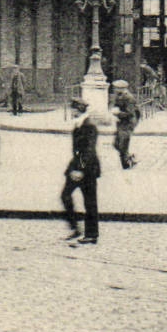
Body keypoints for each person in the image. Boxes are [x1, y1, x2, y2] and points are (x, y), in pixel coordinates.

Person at [61, 98, 100, 245]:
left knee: (90, 202)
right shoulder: (80, 124)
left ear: (79, 110)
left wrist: (79, 170)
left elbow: (88, 151)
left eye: (73, 109)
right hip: (78, 166)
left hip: (87, 169)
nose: (72, 112)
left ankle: (91, 234)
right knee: (65, 196)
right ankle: (75, 228)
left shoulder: (88, 125)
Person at [110, 79, 139, 169]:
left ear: (121, 89)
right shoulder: (118, 96)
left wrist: (117, 113)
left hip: (128, 122)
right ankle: (129, 158)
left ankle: (127, 163)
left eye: (116, 88)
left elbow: (130, 113)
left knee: (123, 143)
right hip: (121, 122)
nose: (114, 90)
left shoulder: (129, 98)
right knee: (116, 143)